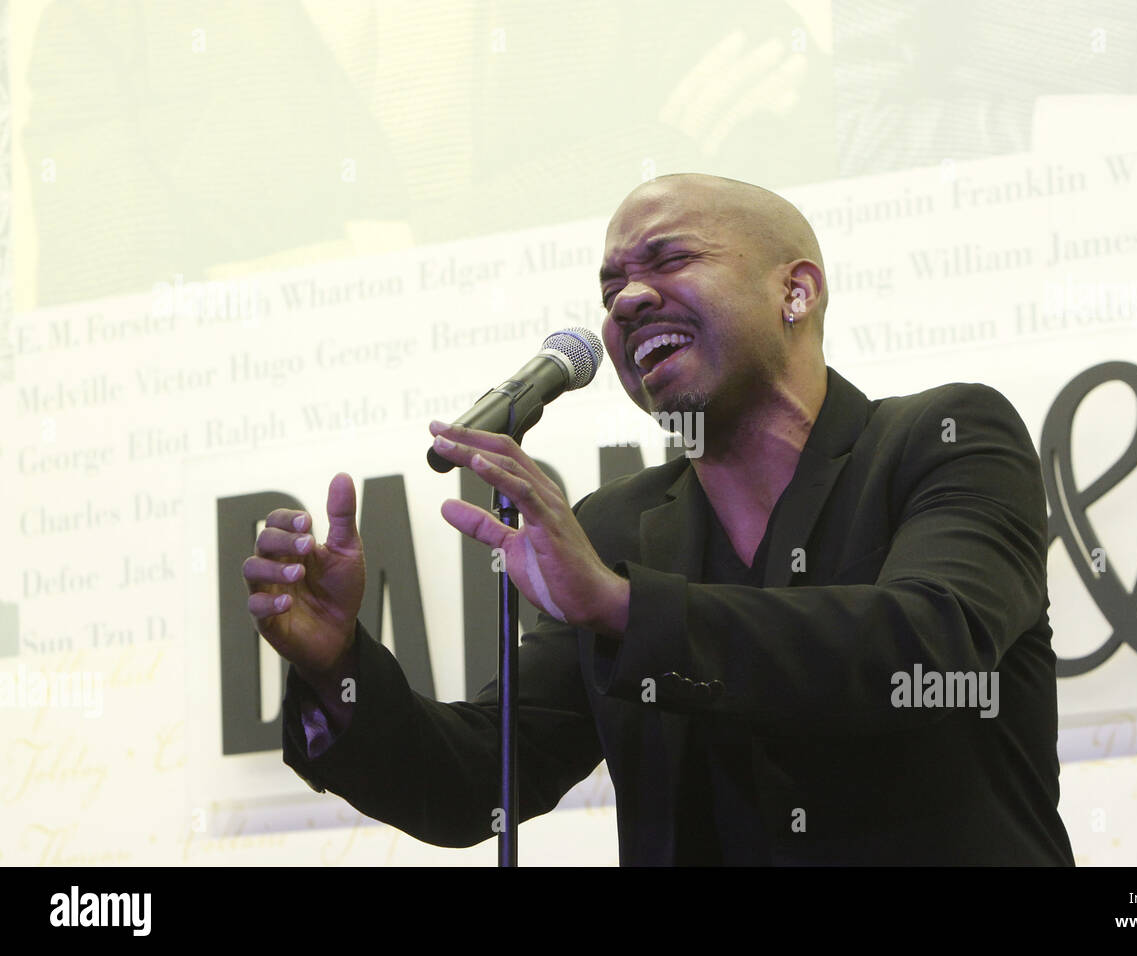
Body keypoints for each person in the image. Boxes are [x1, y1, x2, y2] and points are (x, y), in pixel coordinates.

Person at [243, 173, 1075, 865]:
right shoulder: (621, 531)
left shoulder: (945, 439)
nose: (629, 300)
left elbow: (931, 640)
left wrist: (622, 609)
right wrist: (335, 665)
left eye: (668, 260)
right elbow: (478, 785)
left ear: (796, 288)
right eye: (610, 289)